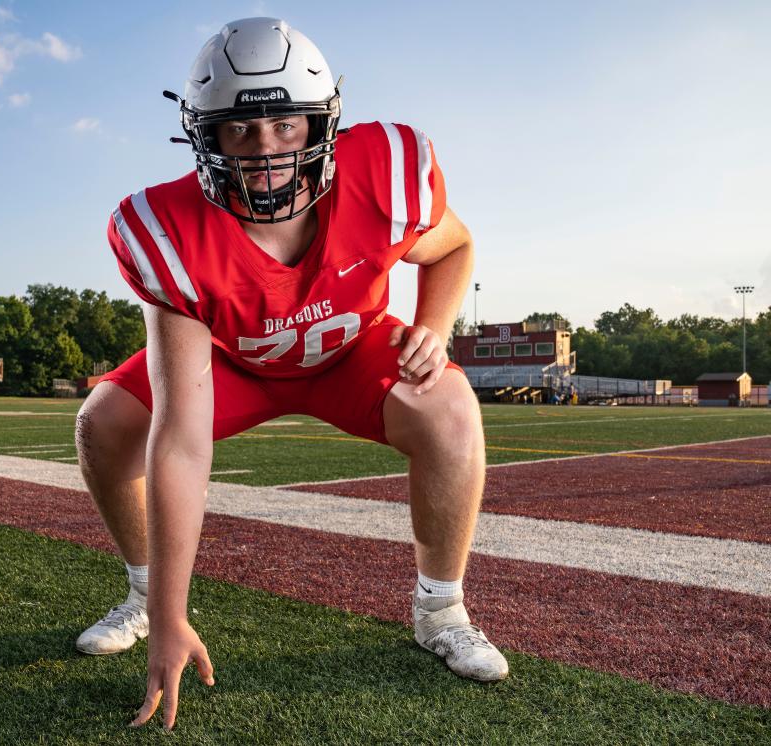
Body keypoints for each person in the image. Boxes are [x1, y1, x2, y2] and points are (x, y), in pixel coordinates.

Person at [73, 17, 508, 730]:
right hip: (232, 362)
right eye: (239, 131)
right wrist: (171, 616)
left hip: (351, 349)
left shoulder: (385, 172)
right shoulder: (167, 229)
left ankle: (441, 611)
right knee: (104, 423)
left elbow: (455, 248)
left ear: (322, 124)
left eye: (285, 125)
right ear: (202, 135)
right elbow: (182, 437)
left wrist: (433, 328)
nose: (266, 150)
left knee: (450, 405)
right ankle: (142, 594)